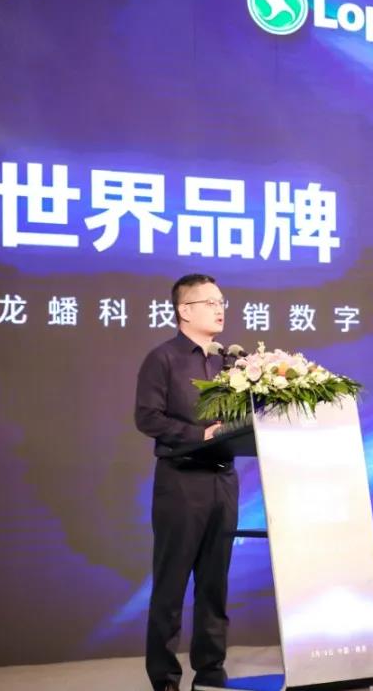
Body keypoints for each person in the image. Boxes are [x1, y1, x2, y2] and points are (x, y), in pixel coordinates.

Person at [135, 273, 239, 691]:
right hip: (181, 480)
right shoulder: (162, 359)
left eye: (222, 301)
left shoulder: (229, 362)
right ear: (184, 310)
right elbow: (148, 417)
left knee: (215, 585)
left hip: (223, 480)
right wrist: (200, 435)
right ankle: (165, 678)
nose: (220, 309)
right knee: (172, 584)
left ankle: (211, 673)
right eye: (210, 302)